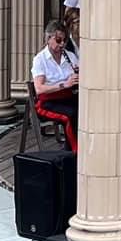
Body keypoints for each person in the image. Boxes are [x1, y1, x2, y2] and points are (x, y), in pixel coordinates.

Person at [31, 21, 80, 150]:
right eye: (58, 40)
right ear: (48, 39)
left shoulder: (70, 56)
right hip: (48, 101)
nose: (62, 44)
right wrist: (64, 84)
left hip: (68, 97)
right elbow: (39, 89)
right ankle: (73, 151)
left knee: (86, 109)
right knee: (70, 115)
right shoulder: (40, 60)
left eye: (64, 40)